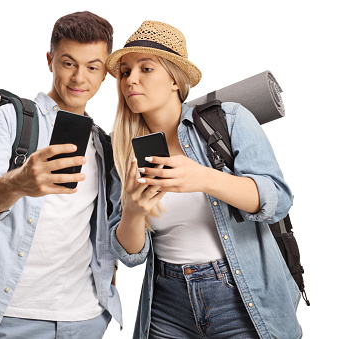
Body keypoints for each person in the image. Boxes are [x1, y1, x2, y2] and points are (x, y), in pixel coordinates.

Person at [105, 20, 302, 338]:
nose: (131, 80)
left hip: (238, 295)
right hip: (167, 304)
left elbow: (277, 198)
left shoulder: (230, 118)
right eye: (125, 72)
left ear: (174, 80)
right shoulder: (122, 148)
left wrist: (204, 178)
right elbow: (130, 254)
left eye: (146, 69)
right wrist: (134, 211)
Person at [0, 11, 122, 338]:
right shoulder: (10, 120)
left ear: (105, 73)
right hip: (10, 317)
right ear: (50, 60)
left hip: (86, 318)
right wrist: (20, 182)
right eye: (69, 63)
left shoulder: (103, 144)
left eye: (92, 67)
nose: (79, 78)